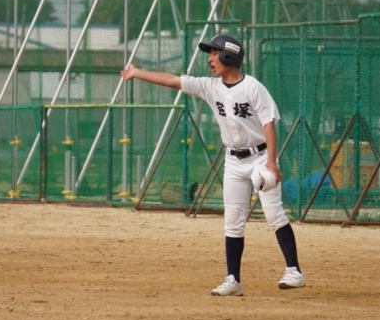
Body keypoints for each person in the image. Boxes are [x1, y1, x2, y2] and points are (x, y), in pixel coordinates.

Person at [120, 34, 305, 296]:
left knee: (274, 215)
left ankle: (294, 271)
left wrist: (272, 162)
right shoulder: (210, 86)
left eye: (215, 53)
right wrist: (137, 73)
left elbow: (268, 124)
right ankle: (233, 280)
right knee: (233, 221)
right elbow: (173, 80)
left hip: (261, 157)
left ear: (230, 55)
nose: (210, 59)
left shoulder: (252, 87)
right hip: (233, 160)